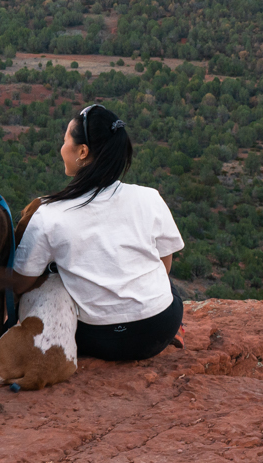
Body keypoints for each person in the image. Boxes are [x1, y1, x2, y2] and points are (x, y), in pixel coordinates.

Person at [11, 102, 185, 362]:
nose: (61, 148)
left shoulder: (49, 213)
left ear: (82, 151)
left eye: (64, 140)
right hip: (158, 329)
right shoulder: (149, 197)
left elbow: (22, 282)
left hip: (97, 338)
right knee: (168, 288)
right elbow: (164, 266)